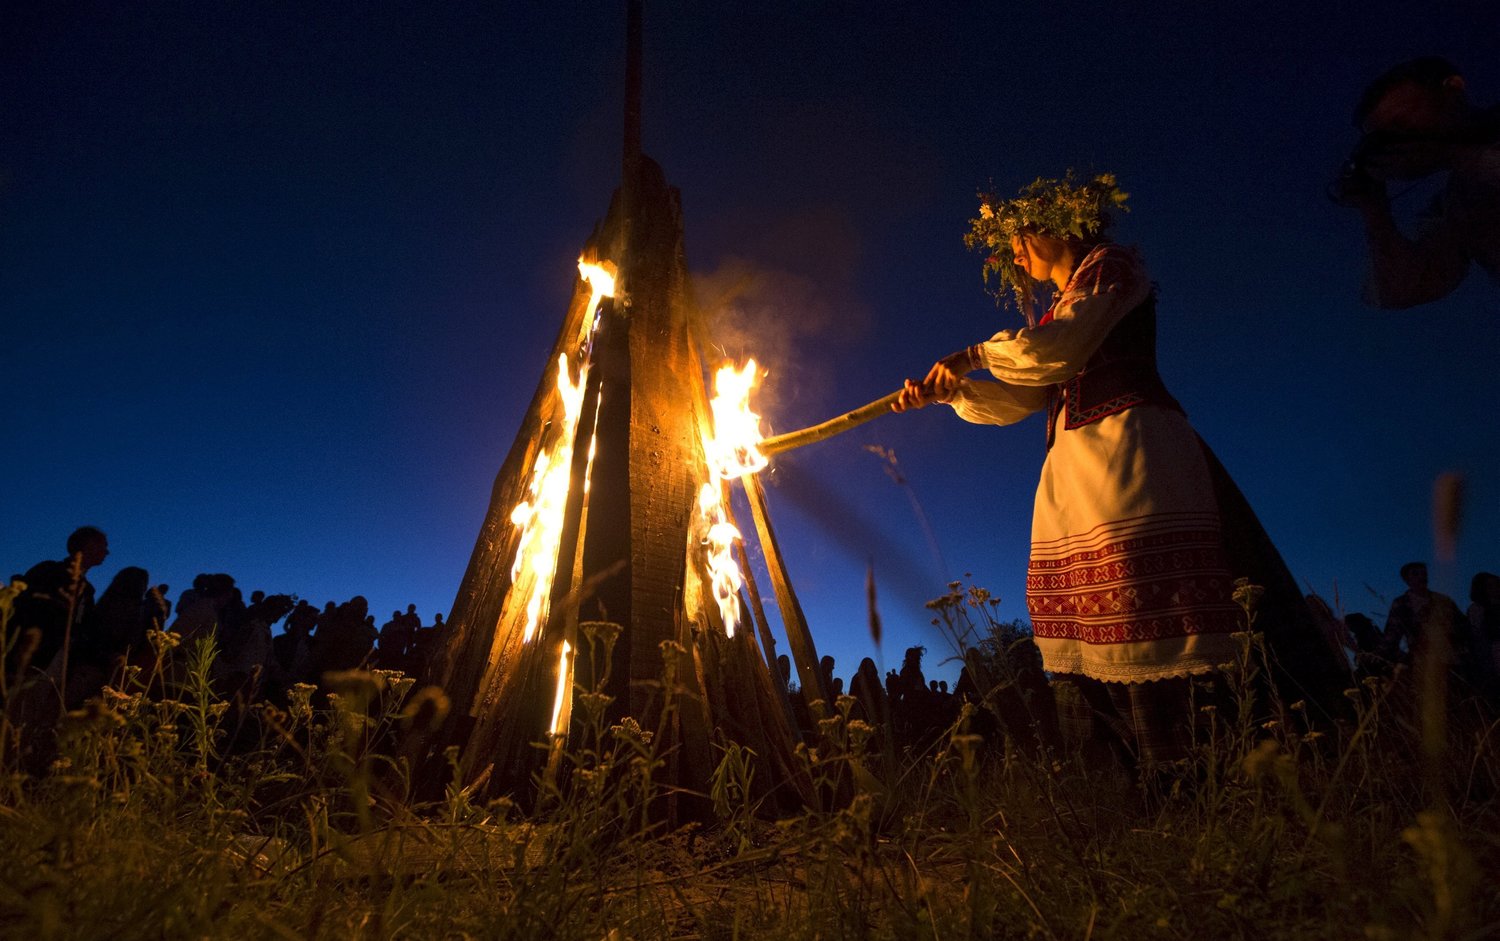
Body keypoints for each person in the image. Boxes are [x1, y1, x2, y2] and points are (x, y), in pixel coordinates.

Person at [897, 173, 1342, 767]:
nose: (1013, 252)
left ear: (1059, 225)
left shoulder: (1110, 269)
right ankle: (1145, 773)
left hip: (1132, 455)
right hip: (1075, 469)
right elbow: (1029, 393)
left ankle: (1223, 762)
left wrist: (975, 354)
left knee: (1148, 603)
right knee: (1099, 616)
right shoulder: (1060, 308)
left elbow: (1057, 348)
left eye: (1019, 235)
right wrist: (951, 394)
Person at [1333, 57, 1500, 308]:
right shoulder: (1457, 202)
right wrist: (1375, 210)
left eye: (1401, 123)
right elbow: (1403, 290)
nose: (1398, 141)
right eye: (1383, 138)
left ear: (1453, 88)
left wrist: (1452, 156)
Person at [7, 526, 110, 682]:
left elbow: (84, 626)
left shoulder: (87, 590)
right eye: (103, 546)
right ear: (88, 545)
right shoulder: (49, 571)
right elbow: (25, 608)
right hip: (26, 656)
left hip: (52, 661)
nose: (106, 552)